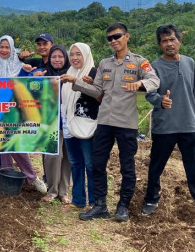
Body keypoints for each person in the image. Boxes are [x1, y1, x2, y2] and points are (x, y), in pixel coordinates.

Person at [76, 23, 159, 222]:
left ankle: (123, 206)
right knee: (97, 164)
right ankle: (100, 205)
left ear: (127, 36)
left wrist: (140, 83)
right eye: (110, 38)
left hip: (126, 123)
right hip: (104, 122)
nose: (113, 41)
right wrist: (75, 82)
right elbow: (97, 91)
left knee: (127, 167)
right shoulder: (104, 64)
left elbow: (155, 80)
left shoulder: (140, 62)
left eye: (117, 36)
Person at [143, 25, 195, 225]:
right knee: (156, 167)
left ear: (179, 41)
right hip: (164, 126)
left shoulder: (190, 63)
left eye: (172, 40)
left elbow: (194, 93)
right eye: (164, 41)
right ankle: (151, 199)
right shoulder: (154, 66)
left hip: (188, 125)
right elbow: (149, 93)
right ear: (160, 44)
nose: (169, 44)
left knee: (194, 169)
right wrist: (160, 101)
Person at [0, 35, 47, 194]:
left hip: (16, 111)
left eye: (7, 47)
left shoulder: (21, 66)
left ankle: (32, 176)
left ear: (12, 49)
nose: (4, 50)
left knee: (16, 143)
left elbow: (25, 84)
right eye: (1, 47)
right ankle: (8, 180)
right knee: (4, 144)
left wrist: (28, 72)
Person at [59, 42, 100, 210]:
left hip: (87, 125)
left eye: (78, 54)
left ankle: (95, 201)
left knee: (90, 164)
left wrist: (79, 82)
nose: (75, 58)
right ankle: (78, 200)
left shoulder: (94, 72)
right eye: (72, 54)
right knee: (76, 162)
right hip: (69, 123)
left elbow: (99, 96)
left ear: (86, 55)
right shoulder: (68, 72)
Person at [40, 44, 72, 203]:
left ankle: (63, 191)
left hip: (71, 121)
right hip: (51, 121)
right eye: (54, 57)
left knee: (67, 156)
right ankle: (52, 190)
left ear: (65, 58)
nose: (57, 60)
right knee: (52, 156)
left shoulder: (72, 74)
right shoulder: (44, 74)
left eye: (60, 56)